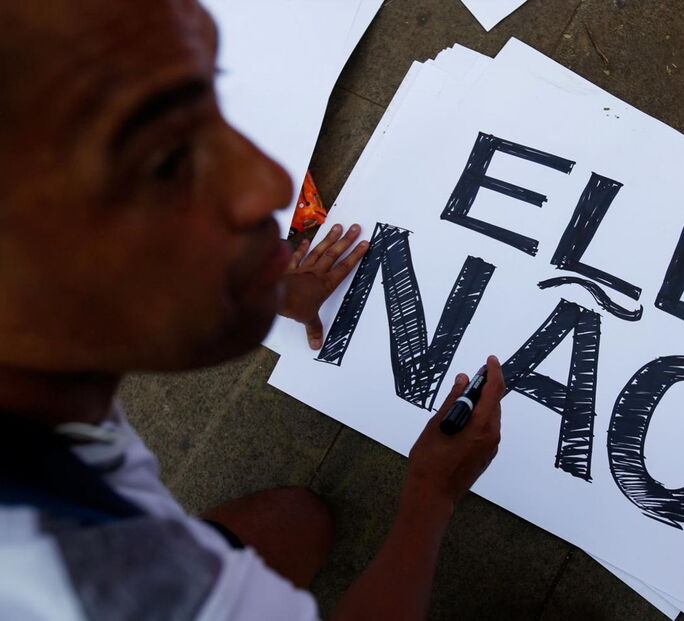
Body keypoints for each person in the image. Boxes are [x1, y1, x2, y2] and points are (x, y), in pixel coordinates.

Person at [0, 0, 504, 619]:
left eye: (215, 98)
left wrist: (263, 294)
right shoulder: (97, 586)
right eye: (165, 165)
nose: (272, 184)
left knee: (296, 521)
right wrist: (431, 496)